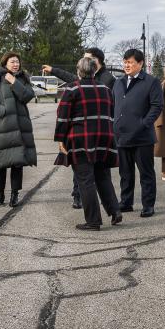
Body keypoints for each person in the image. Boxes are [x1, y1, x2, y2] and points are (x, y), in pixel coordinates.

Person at [42, 47, 115, 210]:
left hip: (88, 133)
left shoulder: (107, 80)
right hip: (98, 133)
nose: (85, 60)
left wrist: (61, 139)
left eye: (87, 58)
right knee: (88, 174)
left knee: (92, 174)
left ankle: (95, 212)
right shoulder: (92, 80)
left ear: (97, 61)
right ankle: (87, 199)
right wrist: (54, 70)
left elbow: (64, 115)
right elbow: (73, 78)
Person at [55, 55, 123, 230]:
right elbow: (111, 113)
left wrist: (60, 139)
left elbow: (63, 117)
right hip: (104, 138)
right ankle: (115, 211)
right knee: (103, 177)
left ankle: (93, 221)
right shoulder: (105, 89)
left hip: (81, 139)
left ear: (78, 71)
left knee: (85, 180)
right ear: (94, 71)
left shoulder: (72, 89)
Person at [0, 51, 38, 207]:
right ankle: (0, 194)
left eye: (17, 61)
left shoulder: (22, 78)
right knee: (1, 162)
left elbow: (27, 96)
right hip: (2, 127)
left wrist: (14, 82)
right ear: (5, 63)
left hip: (20, 126)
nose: (15, 64)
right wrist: (3, 111)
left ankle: (14, 194)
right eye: (12, 61)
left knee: (17, 161)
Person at [112, 48, 163, 217]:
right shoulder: (118, 82)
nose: (127, 65)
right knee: (125, 173)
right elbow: (114, 105)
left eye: (130, 62)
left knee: (146, 173)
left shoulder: (151, 82)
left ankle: (148, 205)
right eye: (125, 62)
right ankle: (126, 202)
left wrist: (143, 123)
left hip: (142, 137)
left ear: (140, 64)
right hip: (122, 135)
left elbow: (157, 106)